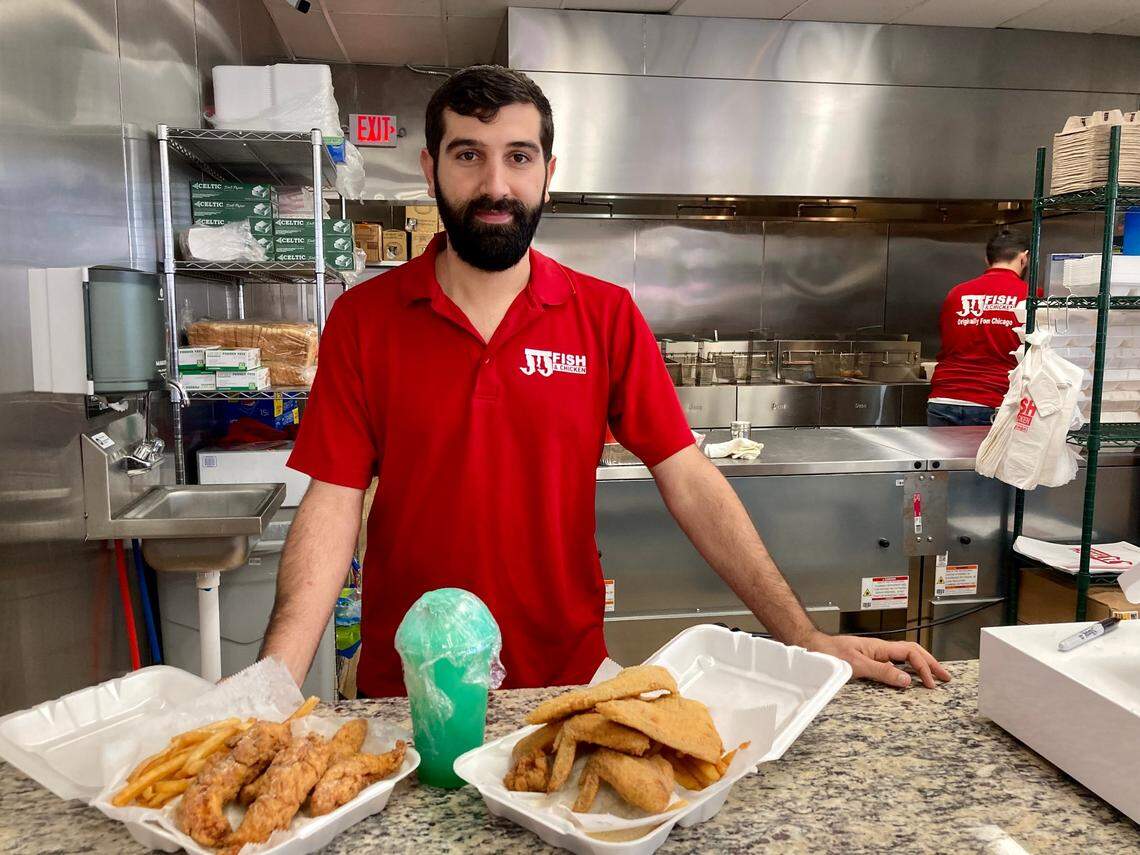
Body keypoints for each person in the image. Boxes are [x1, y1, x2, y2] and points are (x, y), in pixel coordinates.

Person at [261, 65, 950, 697]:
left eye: (519, 157)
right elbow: (332, 502)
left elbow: (689, 478)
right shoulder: (364, 318)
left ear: (548, 172)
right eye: (468, 154)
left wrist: (803, 637)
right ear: (429, 167)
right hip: (410, 690)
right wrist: (273, 686)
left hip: (566, 686)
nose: (495, 185)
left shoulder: (604, 315)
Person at [927, 229, 1030, 427]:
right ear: (1024, 258)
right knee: (986, 460)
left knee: (944, 460)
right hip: (994, 401)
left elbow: (949, 344)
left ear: (987, 259)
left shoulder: (957, 293)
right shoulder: (1030, 296)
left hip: (943, 399)